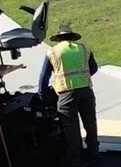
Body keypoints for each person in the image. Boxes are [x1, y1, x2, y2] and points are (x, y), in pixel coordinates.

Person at [35, 26, 99, 154]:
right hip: (86, 91)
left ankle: (75, 158)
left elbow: (44, 77)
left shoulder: (53, 52)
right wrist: (82, 78)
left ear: (58, 38)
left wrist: (42, 95)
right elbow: (94, 68)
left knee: (71, 126)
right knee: (90, 122)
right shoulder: (84, 49)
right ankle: (93, 152)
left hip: (66, 93)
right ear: (72, 37)